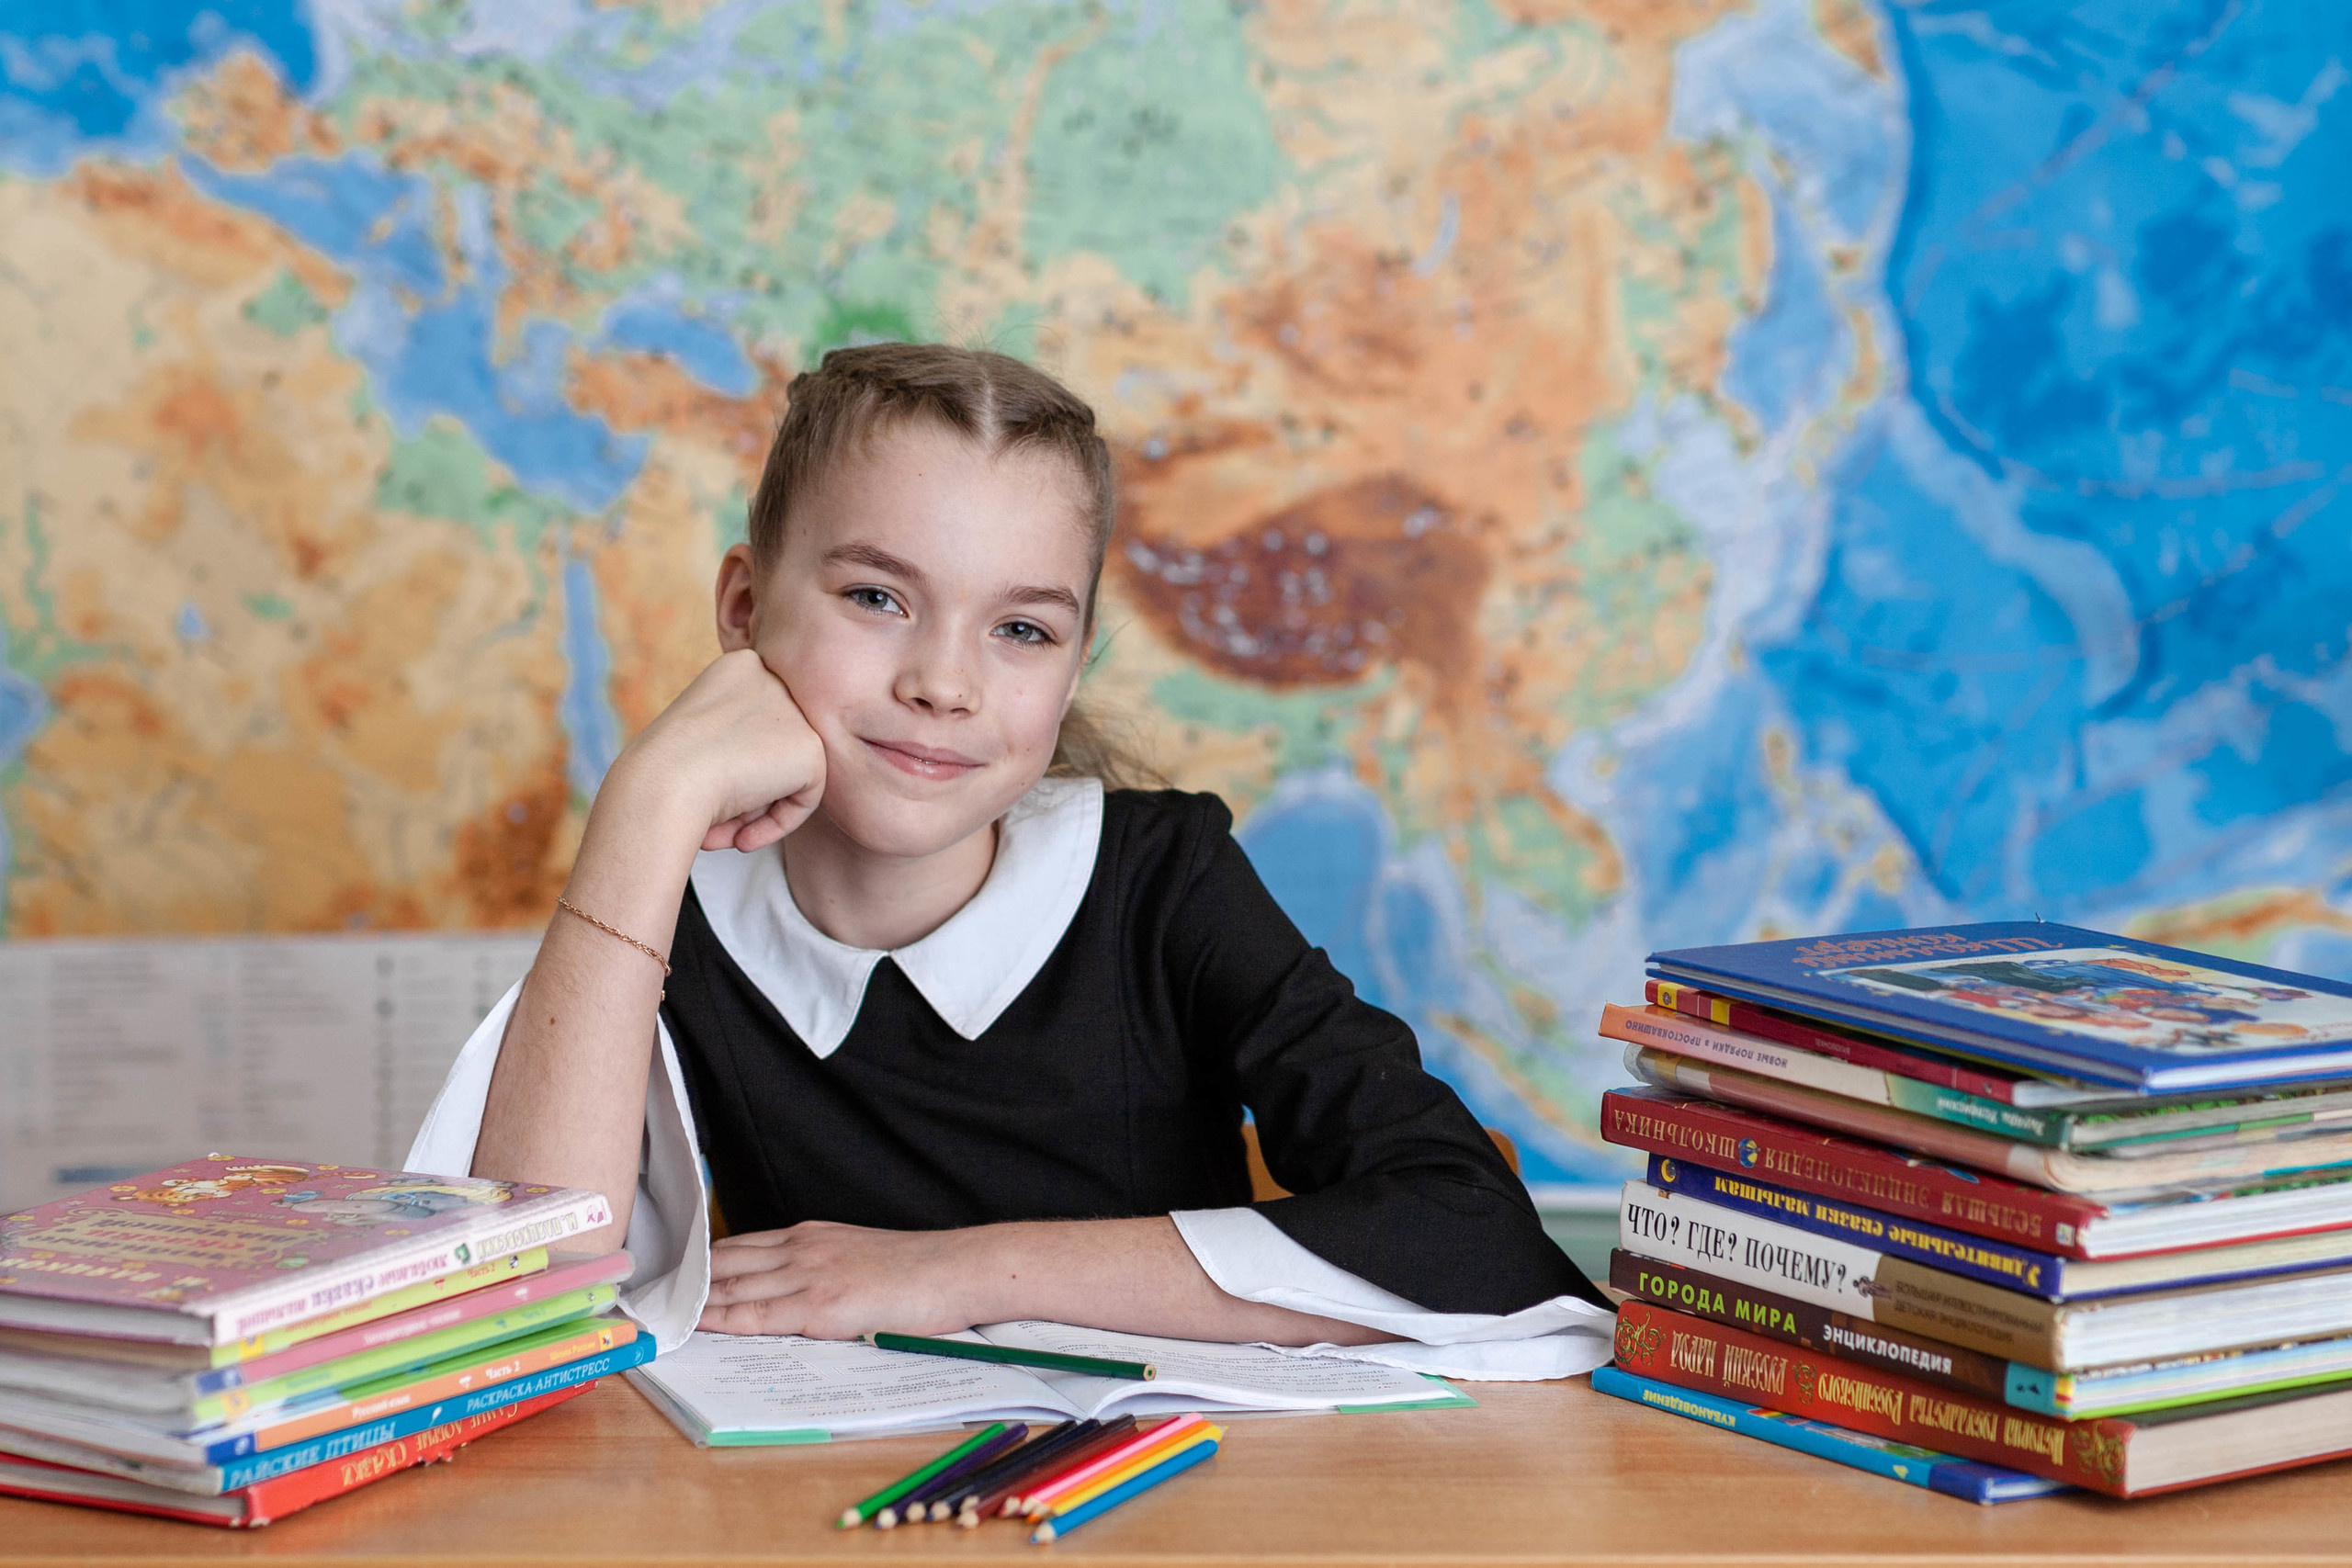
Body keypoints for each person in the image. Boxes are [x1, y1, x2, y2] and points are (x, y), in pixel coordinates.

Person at [407, 344, 1609, 1378]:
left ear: (1075, 665)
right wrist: (650, 800)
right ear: (743, 608)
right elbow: (530, 1294)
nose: (944, 682)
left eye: (1022, 629)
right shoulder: (683, 909)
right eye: (877, 597)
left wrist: (956, 1276)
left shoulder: (1162, 882)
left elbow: (1473, 1234)